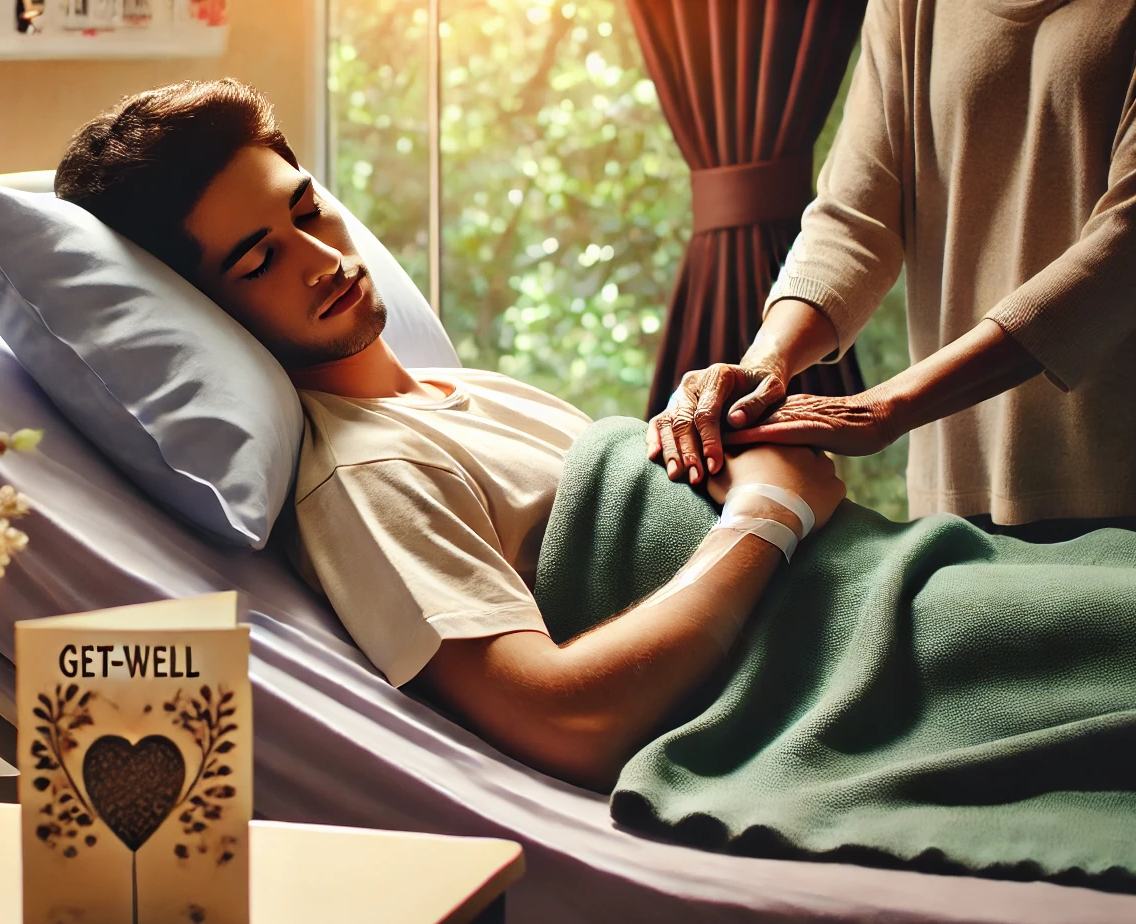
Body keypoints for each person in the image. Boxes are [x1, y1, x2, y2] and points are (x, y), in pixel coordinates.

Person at [56, 80, 848, 791]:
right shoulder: (366, 472)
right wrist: (770, 511)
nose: (324, 259)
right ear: (204, 311)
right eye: (260, 260)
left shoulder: (462, 391)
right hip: (838, 670)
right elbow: (564, 723)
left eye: (307, 211)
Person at [647, 1, 1136, 542]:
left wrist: (884, 409)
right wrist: (765, 362)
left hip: (1133, 481)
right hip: (952, 486)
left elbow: (1130, 249)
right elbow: (853, 220)